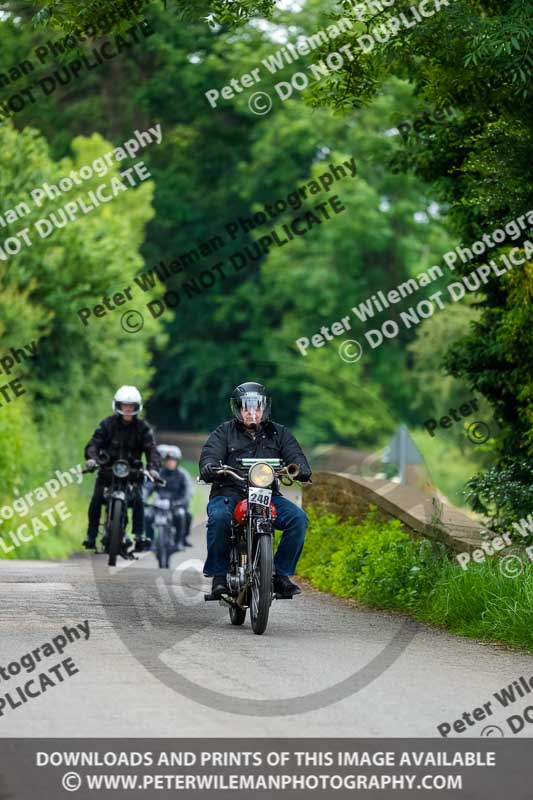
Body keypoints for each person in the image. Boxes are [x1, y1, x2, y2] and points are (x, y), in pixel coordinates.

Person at [199, 381, 312, 599]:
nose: (252, 412)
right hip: (229, 492)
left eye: (257, 407)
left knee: (298, 518)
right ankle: (219, 576)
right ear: (239, 409)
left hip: (267, 494)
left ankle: (280, 575)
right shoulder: (224, 432)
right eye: (247, 407)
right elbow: (210, 455)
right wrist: (210, 466)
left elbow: (296, 458)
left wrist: (301, 469)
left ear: (264, 408)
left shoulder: (280, 433)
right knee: (220, 518)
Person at [83, 385, 161, 552]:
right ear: (118, 406)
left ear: (136, 407)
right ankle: (91, 535)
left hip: (132, 473)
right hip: (108, 470)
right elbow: (94, 444)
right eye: (124, 406)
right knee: (97, 498)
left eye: (131, 406)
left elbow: (151, 449)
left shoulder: (143, 428)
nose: (127, 409)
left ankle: (139, 536)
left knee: (139, 499)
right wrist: (92, 459)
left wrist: (153, 467)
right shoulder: (107, 424)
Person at [145, 445, 194, 550]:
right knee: (147, 515)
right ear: (164, 461)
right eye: (168, 460)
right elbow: (148, 488)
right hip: (159, 504)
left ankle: (180, 541)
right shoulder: (159, 473)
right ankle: (149, 541)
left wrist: (181, 502)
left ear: (177, 461)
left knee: (183, 515)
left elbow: (188, 493)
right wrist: (144, 499)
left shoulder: (183, 475)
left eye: (173, 460)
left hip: (176, 504)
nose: (170, 462)